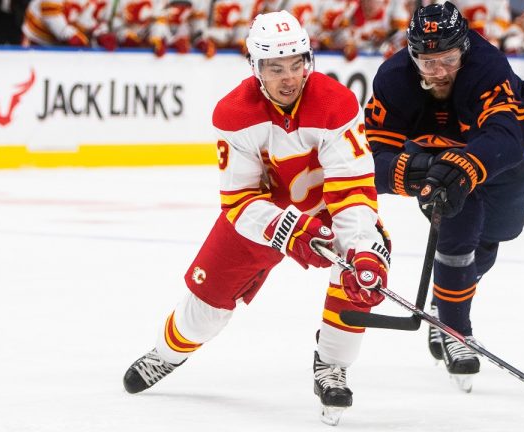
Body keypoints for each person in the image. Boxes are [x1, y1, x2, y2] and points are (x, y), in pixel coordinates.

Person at [122, 10, 391, 426]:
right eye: (274, 67)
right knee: (205, 309)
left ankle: (332, 365)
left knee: (364, 264)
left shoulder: (336, 102)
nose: (288, 77)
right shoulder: (233, 113)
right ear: (255, 67)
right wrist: (289, 229)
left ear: (309, 61)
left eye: (296, 64)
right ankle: (167, 352)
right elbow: (239, 199)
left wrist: (361, 248)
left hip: (324, 204)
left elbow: (352, 188)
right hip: (262, 209)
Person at [364, 2, 524, 392]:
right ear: (412, 55)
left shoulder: (487, 66)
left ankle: (443, 302)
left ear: (464, 49)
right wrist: (408, 173)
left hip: (496, 156)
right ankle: (455, 329)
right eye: (427, 61)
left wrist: (466, 166)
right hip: (434, 157)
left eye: (448, 59)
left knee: (494, 236)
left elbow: (507, 138)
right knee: (457, 227)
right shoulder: (393, 78)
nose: (438, 72)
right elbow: (370, 159)